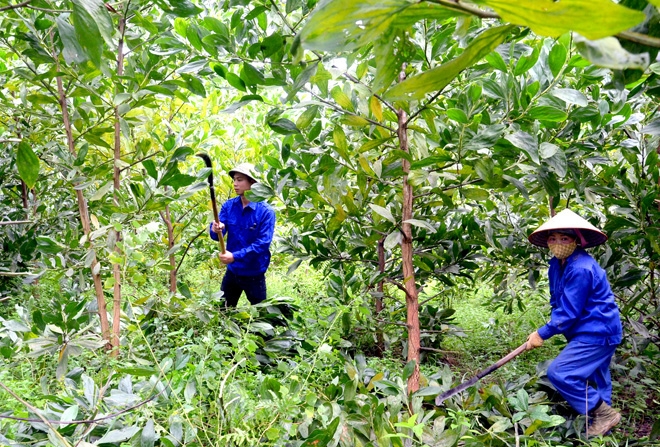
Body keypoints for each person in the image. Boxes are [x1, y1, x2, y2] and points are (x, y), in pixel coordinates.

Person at [526, 209, 622, 437]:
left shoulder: (581, 267)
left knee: (560, 373)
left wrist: (542, 333)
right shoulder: (556, 264)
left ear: (576, 240)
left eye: (564, 238)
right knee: (597, 379)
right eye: (552, 238)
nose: (557, 243)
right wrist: (555, 326)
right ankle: (603, 433)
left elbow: (569, 312)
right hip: (584, 331)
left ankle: (605, 415)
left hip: (598, 332)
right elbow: (556, 300)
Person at [209, 162, 276, 307]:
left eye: (239, 180)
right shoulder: (229, 206)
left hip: (254, 274)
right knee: (223, 310)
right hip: (233, 272)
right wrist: (215, 229)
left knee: (261, 315)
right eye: (234, 180)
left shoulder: (266, 211)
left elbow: (262, 244)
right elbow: (216, 235)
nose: (235, 184)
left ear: (252, 183)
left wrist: (234, 256)